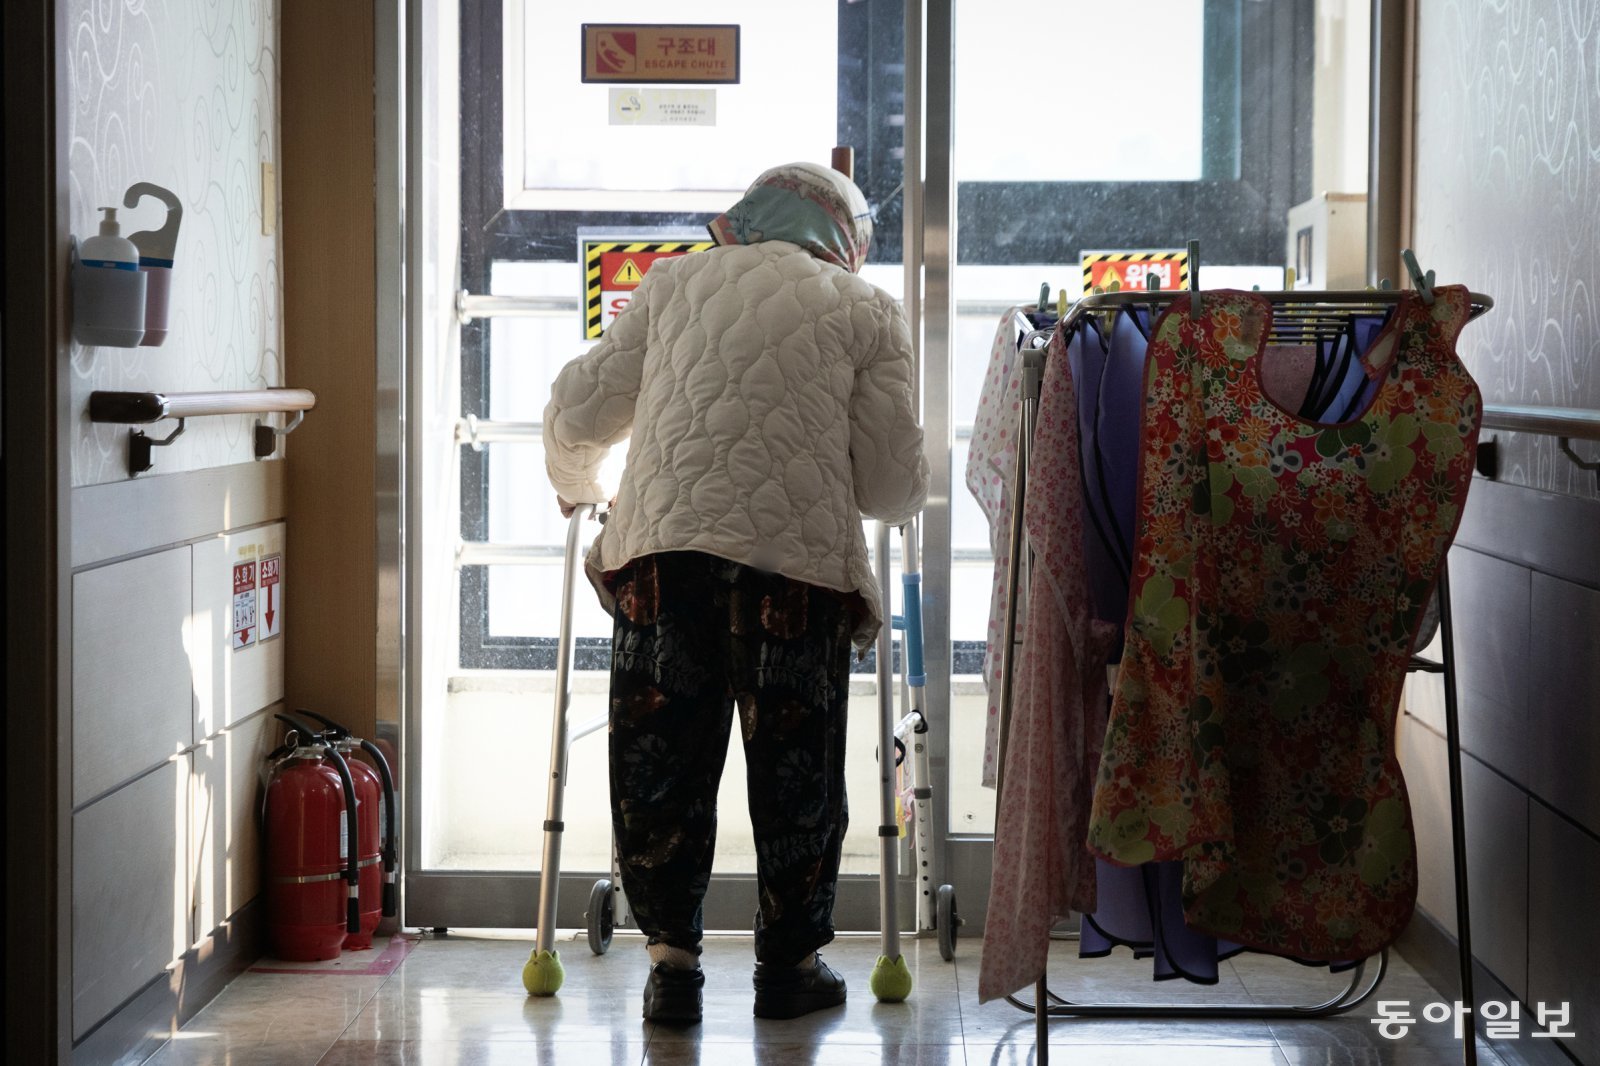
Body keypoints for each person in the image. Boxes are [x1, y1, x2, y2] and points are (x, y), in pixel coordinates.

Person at [543, 161, 929, 1024]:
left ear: (749, 217)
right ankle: (790, 967)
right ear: (846, 241)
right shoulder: (867, 310)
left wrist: (578, 482)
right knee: (796, 766)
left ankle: (672, 968)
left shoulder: (675, 281)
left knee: (661, 757)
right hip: (795, 573)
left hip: (662, 558)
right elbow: (891, 487)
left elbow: (578, 409)